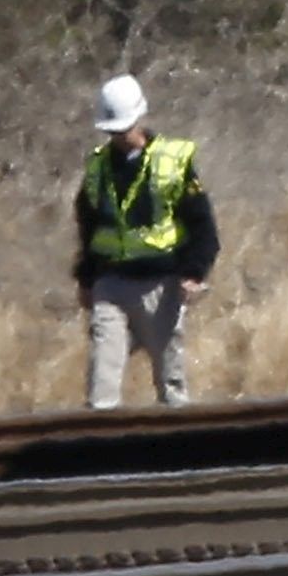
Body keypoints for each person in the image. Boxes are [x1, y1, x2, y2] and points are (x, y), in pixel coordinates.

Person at [73, 75, 218, 409]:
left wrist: (194, 273)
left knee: (171, 384)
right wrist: (85, 279)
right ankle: (100, 454)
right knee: (101, 386)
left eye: (122, 129)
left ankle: (180, 453)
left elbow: (202, 224)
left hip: (161, 286)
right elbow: (89, 226)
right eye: (112, 131)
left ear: (140, 117)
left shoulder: (172, 162)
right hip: (111, 285)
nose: (118, 137)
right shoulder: (97, 168)